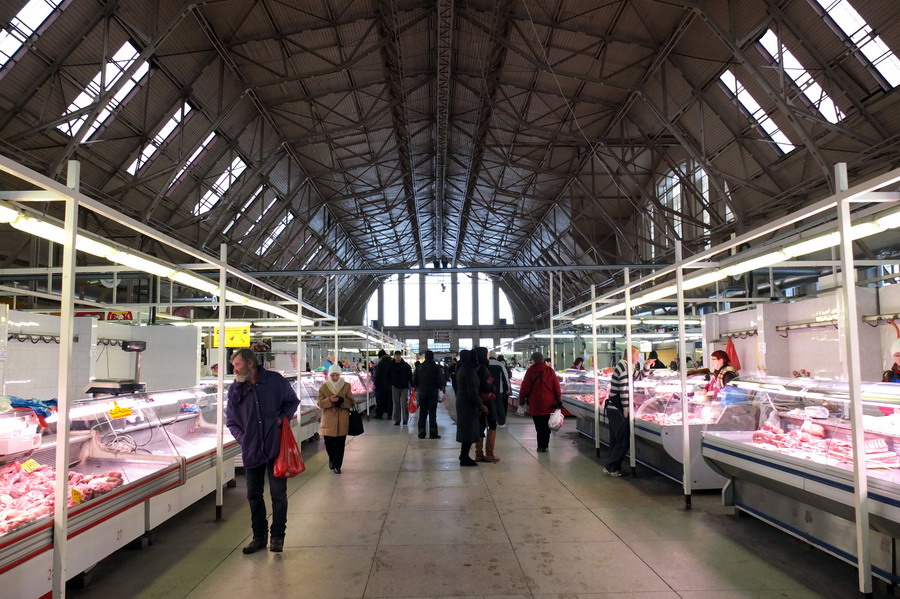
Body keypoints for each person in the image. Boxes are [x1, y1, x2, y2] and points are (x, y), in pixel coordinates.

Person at [225, 348, 300, 554]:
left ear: (250, 363)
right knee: (253, 495)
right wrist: (245, 439)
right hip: (252, 450)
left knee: (278, 494)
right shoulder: (235, 389)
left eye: (237, 364)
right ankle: (259, 537)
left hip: (276, 447)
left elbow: (292, 401)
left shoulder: (275, 381)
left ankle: (277, 537)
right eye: (233, 365)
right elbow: (231, 421)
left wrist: (281, 419)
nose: (235, 369)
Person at [605, 346, 653, 477]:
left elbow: (639, 378)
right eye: (637, 355)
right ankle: (612, 467)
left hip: (613, 408)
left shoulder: (626, 366)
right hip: (618, 409)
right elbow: (624, 389)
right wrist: (626, 410)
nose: (638, 358)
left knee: (616, 439)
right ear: (631, 355)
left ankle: (612, 466)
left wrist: (647, 366)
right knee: (622, 440)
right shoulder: (625, 367)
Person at [519, 352, 562, 453]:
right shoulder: (549, 370)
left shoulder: (530, 371)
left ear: (534, 360)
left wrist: (522, 398)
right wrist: (558, 398)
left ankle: (541, 446)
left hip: (535, 402)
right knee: (546, 424)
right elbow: (556, 386)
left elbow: (525, 387)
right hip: (548, 402)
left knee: (539, 424)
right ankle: (545, 444)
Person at [317, 364, 355, 474]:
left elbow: (352, 402)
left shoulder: (346, 386)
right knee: (328, 443)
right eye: (332, 375)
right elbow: (320, 403)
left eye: (337, 375)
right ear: (329, 375)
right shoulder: (323, 387)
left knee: (340, 444)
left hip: (342, 419)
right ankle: (332, 458)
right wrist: (330, 400)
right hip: (328, 420)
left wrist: (342, 402)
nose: (334, 377)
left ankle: (337, 465)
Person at [455, 350, 485, 466]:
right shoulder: (468, 370)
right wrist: (480, 405)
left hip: (463, 402)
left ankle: (464, 455)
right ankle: (464, 457)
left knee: (467, 429)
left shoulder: (462, 367)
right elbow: (472, 390)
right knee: (469, 429)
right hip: (467, 403)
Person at [474, 347, 501, 462]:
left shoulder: (476, 366)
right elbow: (484, 386)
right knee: (492, 424)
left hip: (479, 400)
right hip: (487, 401)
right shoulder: (484, 368)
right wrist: (493, 387)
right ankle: (489, 454)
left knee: (480, 426)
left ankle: (479, 454)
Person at [412, 350, 445, 439]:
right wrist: (439, 386)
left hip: (422, 393)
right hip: (433, 393)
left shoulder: (419, 367)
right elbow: (440, 381)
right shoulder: (436, 368)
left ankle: (421, 431)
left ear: (425, 357)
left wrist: (418, 386)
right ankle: (433, 433)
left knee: (422, 412)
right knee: (432, 413)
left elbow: (414, 380)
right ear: (433, 357)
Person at [389, 350, 413, 425]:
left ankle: (405, 419)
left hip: (404, 387)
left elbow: (410, 376)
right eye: (396, 355)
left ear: (400, 356)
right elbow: (387, 375)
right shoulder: (391, 366)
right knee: (396, 404)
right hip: (395, 386)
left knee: (404, 403)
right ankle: (397, 420)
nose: (398, 357)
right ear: (394, 356)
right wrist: (391, 383)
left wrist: (412, 385)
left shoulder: (406, 365)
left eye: (399, 355)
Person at [490, 353, 512, 427]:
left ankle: (489, 421)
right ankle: (501, 422)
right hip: (498, 389)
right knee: (499, 405)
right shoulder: (500, 365)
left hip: (486, 389)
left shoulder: (485, 364)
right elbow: (505, 378)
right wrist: (507, 388)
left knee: (488, 405)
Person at [373, 349, 392, 419]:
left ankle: (380, 414)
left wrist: (376, 383)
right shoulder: (392, 362)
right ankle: (390, 414)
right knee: (390, 400)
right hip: (390, 385)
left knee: (380, 400)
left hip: (381, 385)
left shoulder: (380, 363)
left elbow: (378, 374)